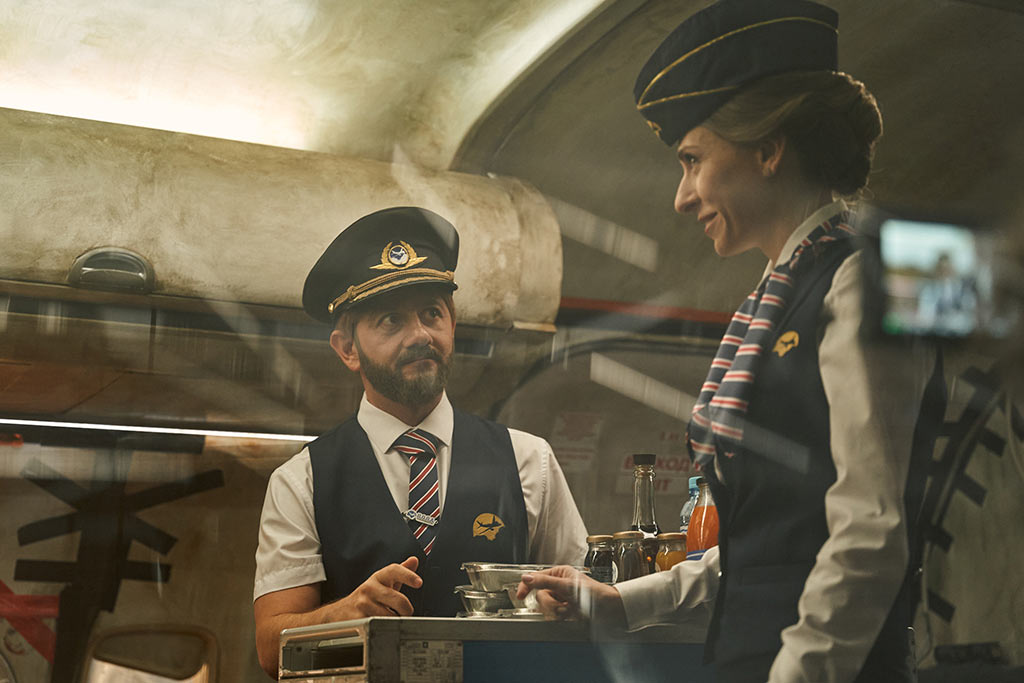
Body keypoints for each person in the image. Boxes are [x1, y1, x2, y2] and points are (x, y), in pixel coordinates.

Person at [518, 1, 946, 682]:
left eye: (693, 160)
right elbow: (770, 547)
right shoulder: (779, 295)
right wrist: (623, 601)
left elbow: (869, 531)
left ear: (768, 150)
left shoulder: (863, 280)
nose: (682, 196)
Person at [253, 206, 587, 677]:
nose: (419, 335)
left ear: (453, 323)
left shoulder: (530, 460)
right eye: (391, 320)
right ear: (347, 349)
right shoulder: (302, 480)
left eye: (432, 313)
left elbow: (588, 606)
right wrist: (343, 613)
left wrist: (565, 607)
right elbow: (272, 649)